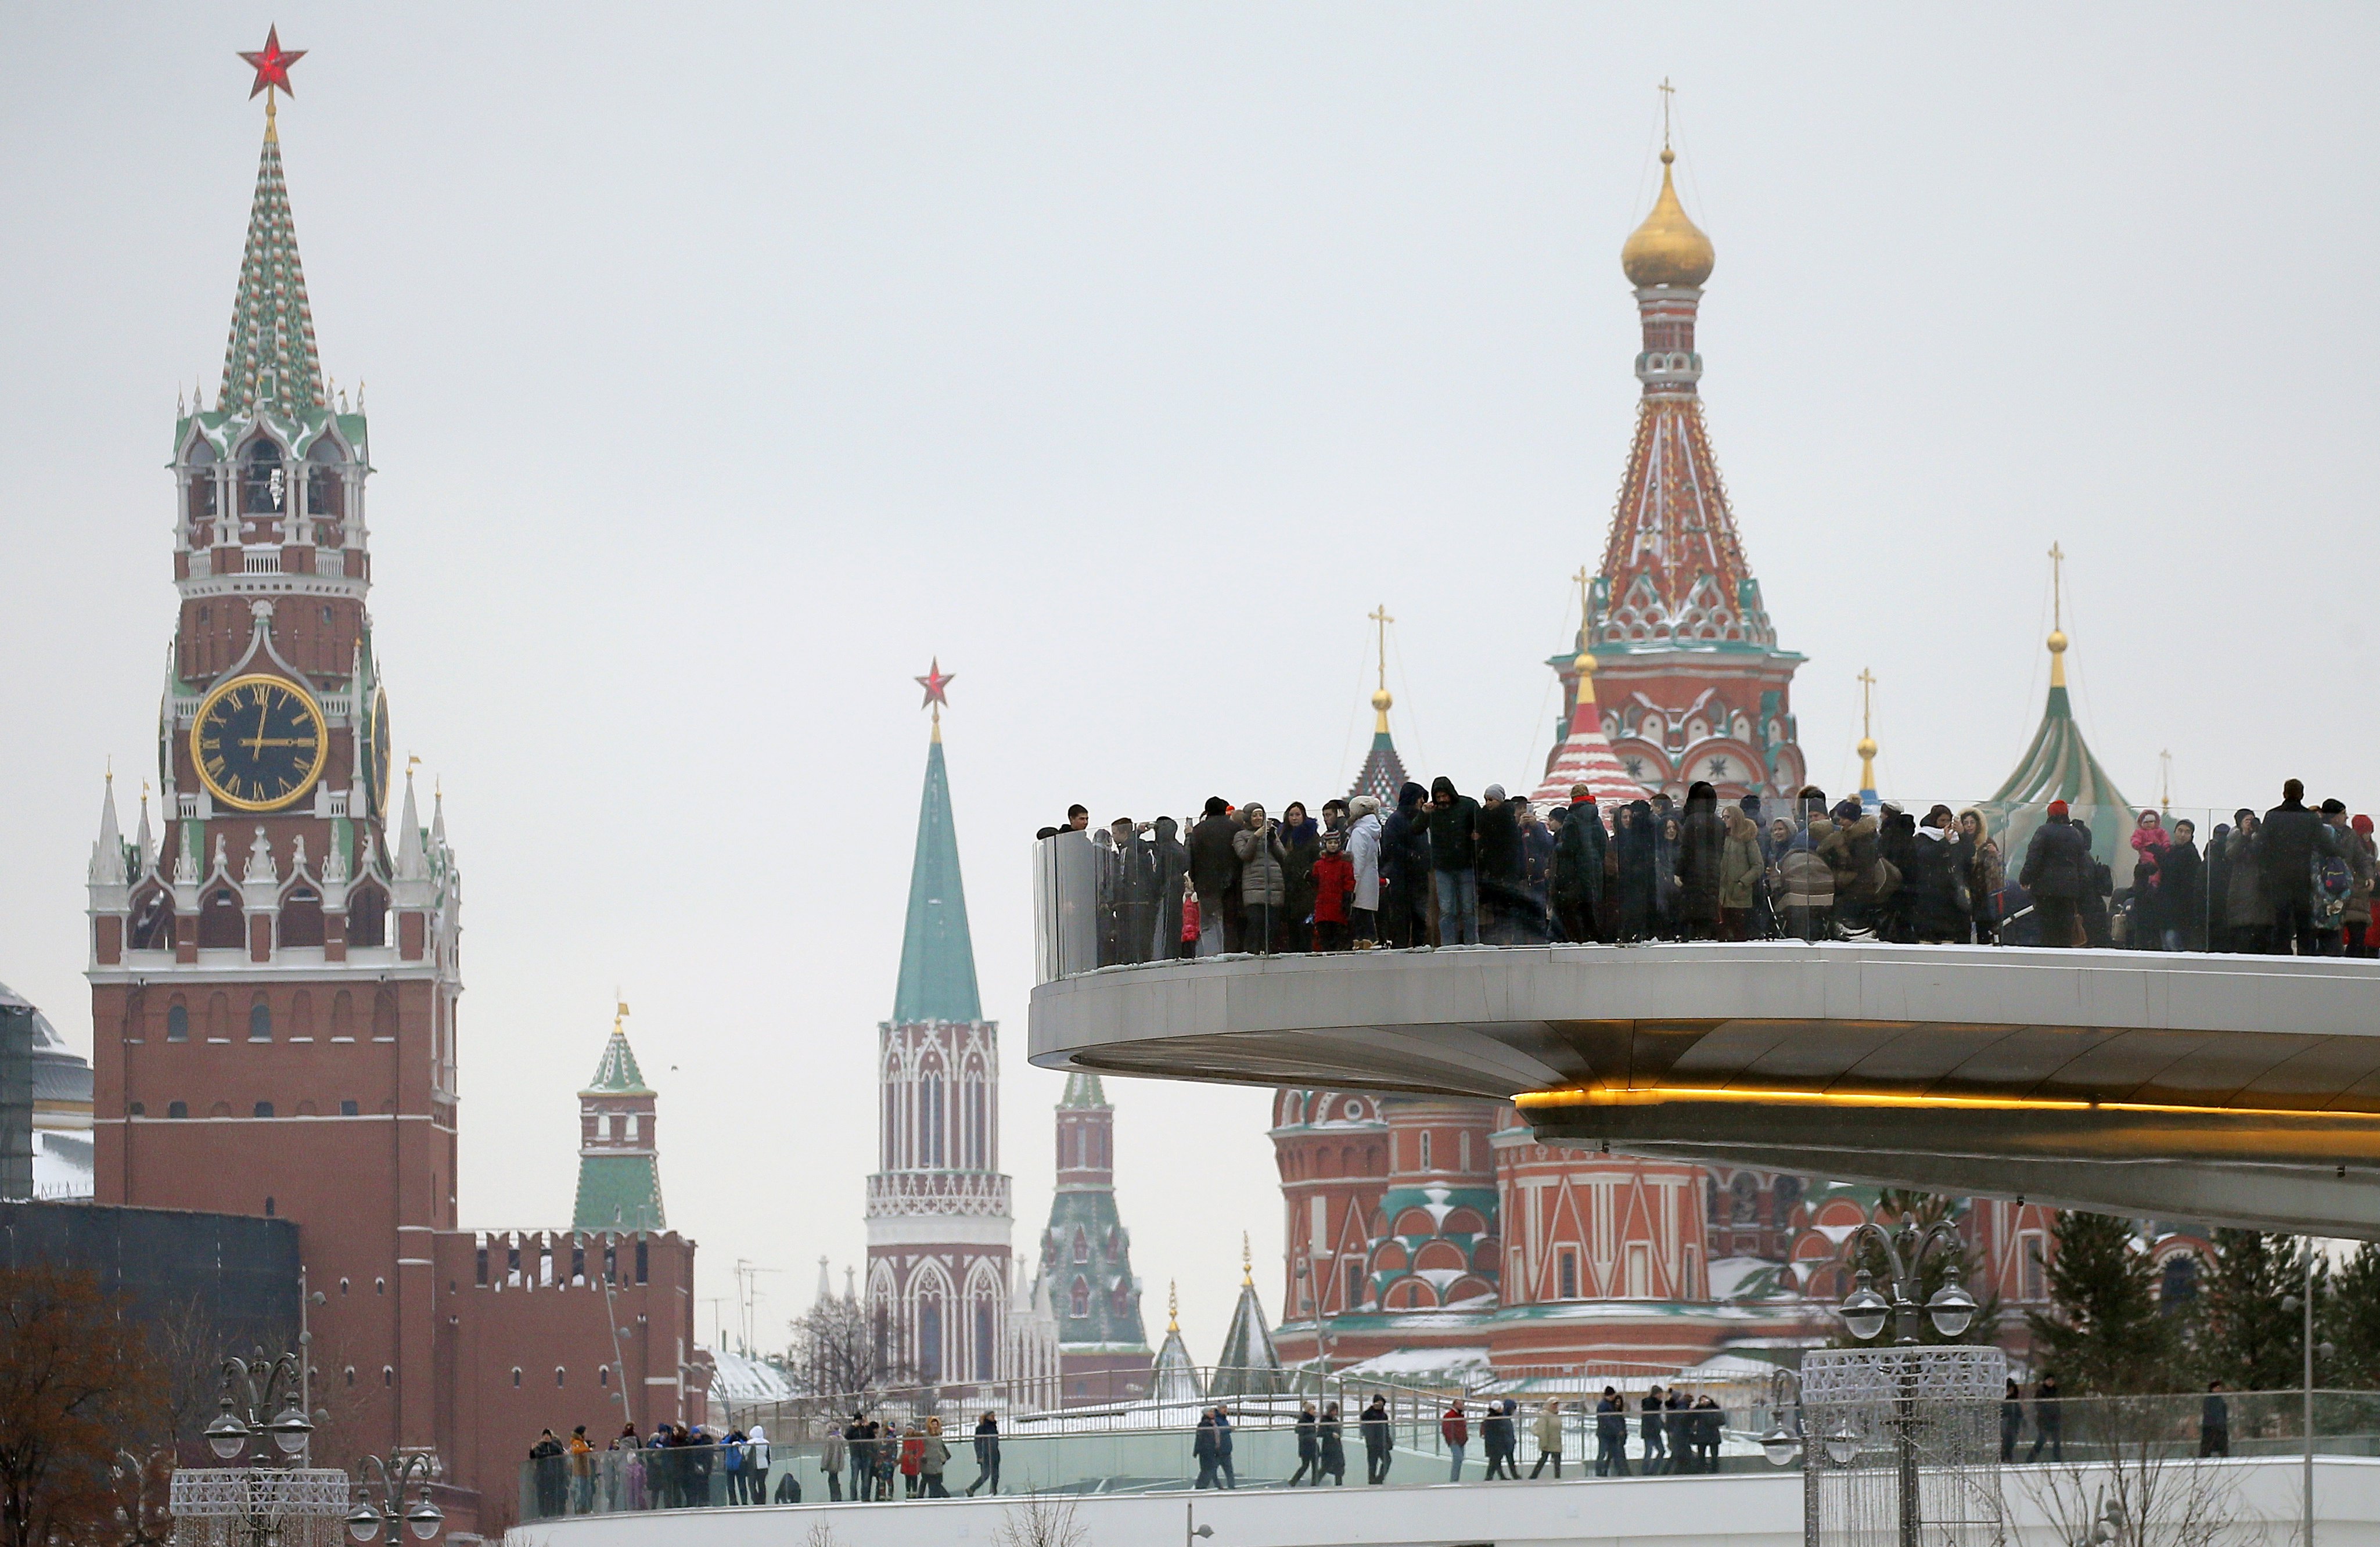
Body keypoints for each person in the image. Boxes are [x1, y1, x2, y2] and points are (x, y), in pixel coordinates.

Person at [2263, 780, 2335, 955]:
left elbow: (2262, 846)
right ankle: (2306, 957)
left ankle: (2282, 956)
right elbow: (2326, 845)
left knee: (2282, 921)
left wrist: (2268, 867)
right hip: (2303, 876)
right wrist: (2341, 853)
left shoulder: (2273, 816)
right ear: (2302, 795)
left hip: (2279, 877)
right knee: (2304, 921)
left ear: (2284, 794)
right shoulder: (2309, 818)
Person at [2020, 801, 2089, 948]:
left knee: (2047, 929)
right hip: (2069, 891)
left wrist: (2025, 878)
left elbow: (2033, 858)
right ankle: (2063, 957)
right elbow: (2082, 865)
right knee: (2065, 930)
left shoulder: (2043, 831)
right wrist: (2081, 889)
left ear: (2050, 814)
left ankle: (2048, 958)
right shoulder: (2076, 834)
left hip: (2045, 889)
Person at [1428, 778, 1483, 945]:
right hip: (1442, 867)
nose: (1442, 800)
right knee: (1447, 910)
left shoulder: (1468, 806)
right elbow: (1416, 828)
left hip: (1465, 865)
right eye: (1439, 797)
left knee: (1468, 909)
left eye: (1445, 796)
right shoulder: (1431, 811)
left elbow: (1482, 827)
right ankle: (1448, 945)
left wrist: (1477, 838)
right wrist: (1424, 813)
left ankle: (1472, 944)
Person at [1552, 787, 1608, 942]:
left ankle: (1579, 943)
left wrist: (1558, 845)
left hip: (1574, 874)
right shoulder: (1597, 819)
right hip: (1593, 871)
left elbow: (1569, 848)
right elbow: (1603, 845)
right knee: (1591, 912)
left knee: (1574, 913)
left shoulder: (1572, 818)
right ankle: (1596, 941)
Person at [1380, 783, 1433, 947]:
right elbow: (1390, 847)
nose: (1423, 801)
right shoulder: (1396, 820)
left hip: (1419, 875)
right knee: (1401, 917)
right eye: (1420, 798)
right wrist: (1411, 856)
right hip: (1401, 876)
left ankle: (1419, 945)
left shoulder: (1421, 819)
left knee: (1419, 916)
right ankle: (1400, 948)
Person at [1232, 804, 1288, 954]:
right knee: (1256, 923)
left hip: (1274, 887)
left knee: (1273, 926)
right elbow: (1245, 855)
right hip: (1254, 887)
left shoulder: (1272, 834)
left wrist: (1271, 840)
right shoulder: (1241, 835)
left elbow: (1283, 856)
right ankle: (1252, 953)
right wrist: (1256, 836)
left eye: (1261, 815)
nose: (1258, 818)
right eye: (1255, 815)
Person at [1187, 797, 1240, 955]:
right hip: (1231, 883)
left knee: (1208, 923)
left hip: (1206, 885)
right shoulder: (1234, 828)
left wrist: (1195, 879)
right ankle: (1230, 953)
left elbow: (1192, 858)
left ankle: (1212, 955)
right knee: (1229, 923)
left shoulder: (1198, 830)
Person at [1674, 782, 1727, 940]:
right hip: (1713, 874)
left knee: (1692, 917)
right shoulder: (1720, 823)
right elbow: (1721, 850)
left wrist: (1678, 872)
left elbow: (1686, 849)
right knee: (1708, 915)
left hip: (1693, 875)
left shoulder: (1692, 820)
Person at [1475, 785, 1522, 943]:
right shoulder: (1483, 819)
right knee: (1496, 906)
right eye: (1486, 800)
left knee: (1506, 905)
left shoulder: (1506, 819)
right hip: (1492, 870)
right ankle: (1501, 936)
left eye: (1491, 800)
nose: (1488, 804)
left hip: (1506, 870)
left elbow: (1513, 846)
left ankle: (1508, 936)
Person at [1717, 800, 1765, 941]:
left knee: (1739, 931)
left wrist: (1742, 883)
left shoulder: (1747, 839)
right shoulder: (1722, 838)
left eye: (1728, 817)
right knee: (1723, 931)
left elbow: (1758, 865)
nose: (1724, 820)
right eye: (1723, 817)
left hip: (1739, 893)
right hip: (1722, 894)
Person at [1278, 802, 1322, 951]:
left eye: (1298, 815)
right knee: (1291, 926)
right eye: (1292, 815)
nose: (1295, 818)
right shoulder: (1283, 836)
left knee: (1305, 924)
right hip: (1287, 885)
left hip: (1305, 886)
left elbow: (1316, 859)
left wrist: (1306, 873)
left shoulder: (1311, 836)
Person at [2223, 812, 2269, 953]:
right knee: (2243, 934)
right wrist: (2245, 835)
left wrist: (2260, 833)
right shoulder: (2235, 837)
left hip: (2260, 893)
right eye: (2246, 820)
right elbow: (2232, 854)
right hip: (2241, 890)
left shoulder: (2260, 838)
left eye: (2252, 820)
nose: (2250, 823)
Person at [1613, 800, 1658, 941]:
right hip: (1625, 884)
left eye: (1630, 817)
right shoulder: (1617, 840)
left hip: (1634, 884)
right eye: (1625, 817)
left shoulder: (1639, 837)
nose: (1628, 821)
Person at [2161, 819, 2206, 952]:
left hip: (2181, 911)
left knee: (2173, 943)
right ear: (2174, 832)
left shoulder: (2190, 854)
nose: (2182, 835)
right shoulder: (2171, 851)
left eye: (2187, 832)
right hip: (2168, 909)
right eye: (2180, 831)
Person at [1346, 795, 1385, 944]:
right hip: (1370, 880)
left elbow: (1357, 861)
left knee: (1361, 915)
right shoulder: (1373, 832)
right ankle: (1369, 939)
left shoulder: (1359, 833)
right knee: (1367, 913)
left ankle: (1367, 940)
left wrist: (1352, 886)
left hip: (1360, 882)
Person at [1961, 810, 2004, 944]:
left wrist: (1994, 855)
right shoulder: (1957, 843)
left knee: (1983, 932)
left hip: (1983, 895)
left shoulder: (1987, 843)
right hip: (1964, 893)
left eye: (1972, 823)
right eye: (1966, 823)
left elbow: (1997, 871)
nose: (1969, 826)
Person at [1150, 816, 1189, 960]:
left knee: (1166, 923)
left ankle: (1167, 954)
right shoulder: (1178, 846)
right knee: (1175, 923)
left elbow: (1159, 872)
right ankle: (1174, 952)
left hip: (1167, 887)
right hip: (1177, 886)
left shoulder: (1164, 848)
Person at [1312, 830, 1356, 951]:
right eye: (1330, 843)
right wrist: (1311, 881)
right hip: (1323, 906)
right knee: (1324, 937)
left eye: (1335, 843)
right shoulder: (1319, 864)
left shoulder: (1344, 864)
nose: (1333, 845)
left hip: (1338, 906)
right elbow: (1316, 885)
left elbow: (1349, 881)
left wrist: (1348, 896)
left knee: (1338, 937)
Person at [529, 1429, 566, 1519]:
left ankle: (553, 1512)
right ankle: (544, 1513)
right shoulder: (540, 1447)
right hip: (543, 1476)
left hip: (553, 1475)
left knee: (552, 1495)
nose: (546, 1437)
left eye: (548, 1435)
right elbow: (537, 1455)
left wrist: (546, 1454)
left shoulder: (555, 1446)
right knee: (543, 1496)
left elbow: (561, 1455)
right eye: (545, 1435)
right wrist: (550, 1454)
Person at [1594, 1386, 1630, 1476]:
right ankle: (1600, 1472)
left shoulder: (1610, 1405)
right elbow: (1608, 1420)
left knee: (1612, 1454)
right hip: (1606, 1434)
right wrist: (1618, 1430)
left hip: (1611, 1434)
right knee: (1604, 1454)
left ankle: (1609, 1471)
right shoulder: (1604, 1406)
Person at [2027, 1375, 2063, 1462]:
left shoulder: (2055, 1391)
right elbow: (2038, 1405)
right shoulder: (2041, 1391)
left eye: (2052, 1380)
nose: (2050, 1382)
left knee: (2057, 1440)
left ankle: (2057, 1459)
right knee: (2042, 1439)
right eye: (2048, 1380)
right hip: (2044, 1421)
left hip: (2055, 1419)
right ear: (2045, 1381)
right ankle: (2031, 1458)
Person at [1529, 1398, 1565, 1479]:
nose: (1556, 1406)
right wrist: (1544, 1442)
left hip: (1556, 1442)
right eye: (1554, 1404)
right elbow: (1542, 1429)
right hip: (1548, 1441)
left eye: (1557, 1404)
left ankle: (1557, 1477)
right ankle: (1533, 1476)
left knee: (1557, 1460)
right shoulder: (1545, 1415)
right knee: (1544, 1459)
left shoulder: (1556, 1415)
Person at [1361, 1394, 1393, 1484]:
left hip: (1382, 1443)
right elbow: (1363, 1418)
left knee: (1387, 1461)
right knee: (1372, 1464)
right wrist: (1372, 1408)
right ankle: (1372, 1481)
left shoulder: (1384, 1415)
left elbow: (1386, 1430)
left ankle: (1379, 1479)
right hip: (1372, 1443)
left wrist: (1388, 1441)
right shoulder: (1369, 1414)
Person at [968, 1412, 1001, 1496]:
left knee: (995, 1475)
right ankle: (972, 1488)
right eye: (991, 1416)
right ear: (987, 1417)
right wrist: (979, 1455)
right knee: (986, 1474)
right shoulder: (981, 1428)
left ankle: (993, 1492)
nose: (994, 1417)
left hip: (995, 1454)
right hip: (986, 1454)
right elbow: (977, 1443)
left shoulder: (994, 1427)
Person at [916, 1416, 949, 1499]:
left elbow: (940, 1448)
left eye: (936, 1424)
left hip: (938, 1462)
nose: (934, 1426)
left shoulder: (938, 1435)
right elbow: (920, 1446)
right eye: (933, 1424)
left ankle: (937, 1497)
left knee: (936, 1483)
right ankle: (942, 1497)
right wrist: (923, 1456)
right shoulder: (925, 1436)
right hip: (928, 1462)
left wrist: (943, 1458)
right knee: (929, 1481)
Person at [1640, 1385, 1670, 1474]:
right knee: (1651, 1452)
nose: (1661, 1396)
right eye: (1660, 1394)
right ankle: (1648, 1471)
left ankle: (1650, 1471)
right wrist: (1661, 1427)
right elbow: (1653, 1419)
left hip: (1653, 1432)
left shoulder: (1655, 1404)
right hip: (1651, 1432)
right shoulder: (1651, 1404)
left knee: (1654, 1452)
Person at [1289, 1402, 1321, 1485]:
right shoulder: (1304, 1420)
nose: (1314, 1411)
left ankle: (1314, 1483)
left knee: (1314, 1466)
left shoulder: (1311, 1420)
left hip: (1312, 1446)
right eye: (1313, 1409)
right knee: (1306, 1465)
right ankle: (1293, 1482)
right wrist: (1311, 1433)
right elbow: (1298, 1430)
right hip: (1306, 1447)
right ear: (1308, 1410)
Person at [567, 1425, 596, 1513]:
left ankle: (585, 1508)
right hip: (580, 1470)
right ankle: (581, 1509)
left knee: (586, 1491)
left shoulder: (582, 1442)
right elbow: (576, 1450)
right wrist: (588, 1450)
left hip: (585, 1470)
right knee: (581, 1491)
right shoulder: (576, 1442)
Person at [1664, 1387, 1693, 1473]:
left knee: (1678, 1454)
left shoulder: (1672, 1408)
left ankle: (1675, 1471)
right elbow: (1682, 1421)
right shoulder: (1682, 1408)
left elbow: (1670, 1423)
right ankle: (1680, 1471)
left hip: (1677, 1434)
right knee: (1681, 1454)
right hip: (1681, 1434)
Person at [1318, 1401, 1347, 1485]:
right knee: (1325, 1467)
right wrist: (1331, 1434)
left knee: (1339, 1468)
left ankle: (1339, 1486)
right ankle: (1315, 1483)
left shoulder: (1336, 1421)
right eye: (1333, 1411)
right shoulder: (1324, 1420)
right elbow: (1320, 1433)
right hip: (1328, 1448)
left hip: (1337, 1447)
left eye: (1336, 1411)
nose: (1334, 1413)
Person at [844, 1415, 870, 1505]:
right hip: (855, 1456)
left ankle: (865, 1497)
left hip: (866, 1456)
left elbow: (871, 1437)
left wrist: (868, 1426)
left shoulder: (865, 1429)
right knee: (854, 1478)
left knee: (865, 1478)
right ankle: (853, 1497)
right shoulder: (852, 1430)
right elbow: (847, 1436)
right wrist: (853, 1427)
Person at [2200, 1380, 2230, 1457]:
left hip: (2221, 1427)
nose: (2218, 1389)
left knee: (2223, 1446)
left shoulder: (2222, 1400)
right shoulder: (2208, 1400)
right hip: (2210, 1427)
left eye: (2219, 1388)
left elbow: (2224, 1412)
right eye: (2216, 1388)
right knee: (2207, 1446)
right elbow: (2208, 1413)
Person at [1441, 1399, 1469, 1481]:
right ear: (1455, 1405)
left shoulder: (1460, 1415)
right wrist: (1451, 1440)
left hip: (1461, 1440)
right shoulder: (1450, 1415)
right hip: (1455, 1441)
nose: (1462, 1406)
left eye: (1462, 1404)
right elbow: (1446, 1429)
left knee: (1459, 1459)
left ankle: (1455, 1479)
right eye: (1460, 1404)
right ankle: (1454, 1480)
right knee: (1458, 1458)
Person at [819, 1421, 845, 1503]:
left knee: (832, 1480)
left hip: (832, 1463)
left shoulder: (830, 1439)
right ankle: (838, 1496)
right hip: (838, 1463)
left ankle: (834, 1498)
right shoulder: (840, 1438)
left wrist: (823, 1466)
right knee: (835, 1479)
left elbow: (828, 1454)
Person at [2000, 1378, 2023, 1463]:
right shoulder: (2003, 1401)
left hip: (2013, 1423)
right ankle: (2005, 1459)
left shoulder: (2015, 1401)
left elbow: (2019, 1413)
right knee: (2006, 1441)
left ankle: (2008, 1458)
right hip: (2006, 1422)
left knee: (2011, 1441)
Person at [1214, 1405, 1236, 1489]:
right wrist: (1229, 1429)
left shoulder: (1224, 1419)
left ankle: (1232, 1486)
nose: (1225, 1410)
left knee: (1229, 1471)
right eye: (1223, 1408)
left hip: (1226, 1450)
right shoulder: (1216, 1420)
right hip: (1218, 1451)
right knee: (1213, 1470)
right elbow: (1218, 1431)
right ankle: (1218, 1486)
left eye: (1226, 1408)